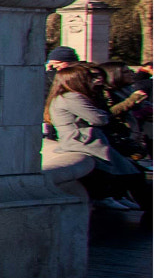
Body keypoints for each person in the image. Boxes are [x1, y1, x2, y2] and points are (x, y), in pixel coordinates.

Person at [42, 63, 151, 216]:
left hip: (91, 142)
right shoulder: (72, 97)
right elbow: (99, 118)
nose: (96, 80)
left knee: (131, 171)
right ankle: (122, 200)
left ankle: (121, 197)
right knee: (130, 173)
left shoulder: (75, 96)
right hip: (85, 143)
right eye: (91, 77)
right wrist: (104, 113)